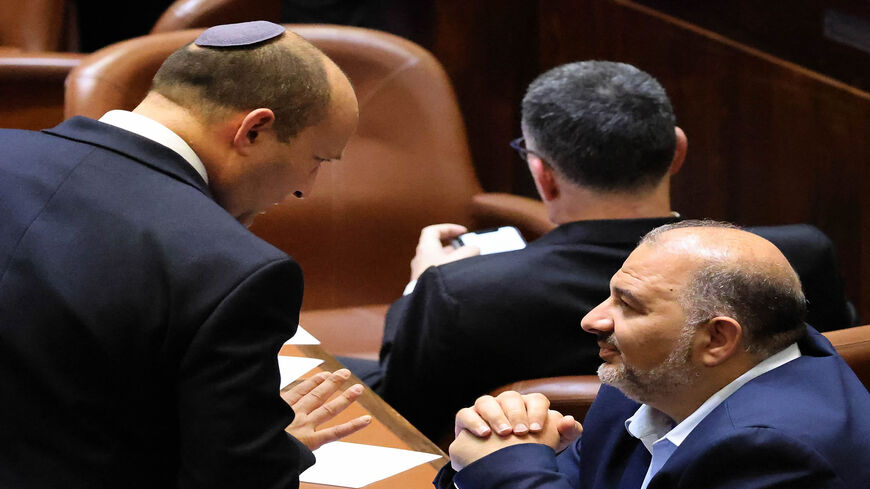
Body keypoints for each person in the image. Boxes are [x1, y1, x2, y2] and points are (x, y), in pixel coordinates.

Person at [344, 61, 854, 442]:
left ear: (541, 172)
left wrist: (421, 285)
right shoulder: (799, 257)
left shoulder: (463, 290)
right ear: (677, 151)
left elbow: (402, 415)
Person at [0, 21, 369, 488]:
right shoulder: (232, 270)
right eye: (317, 159)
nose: (304, 188)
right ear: (254, 130)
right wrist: (270, 448)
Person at [436, 221, 870, 489]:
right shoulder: (658, 376)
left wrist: (506, 468)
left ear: (717, 339)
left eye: (629, 305)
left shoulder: (774, 456)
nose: (592, 320)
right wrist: (501, 446)